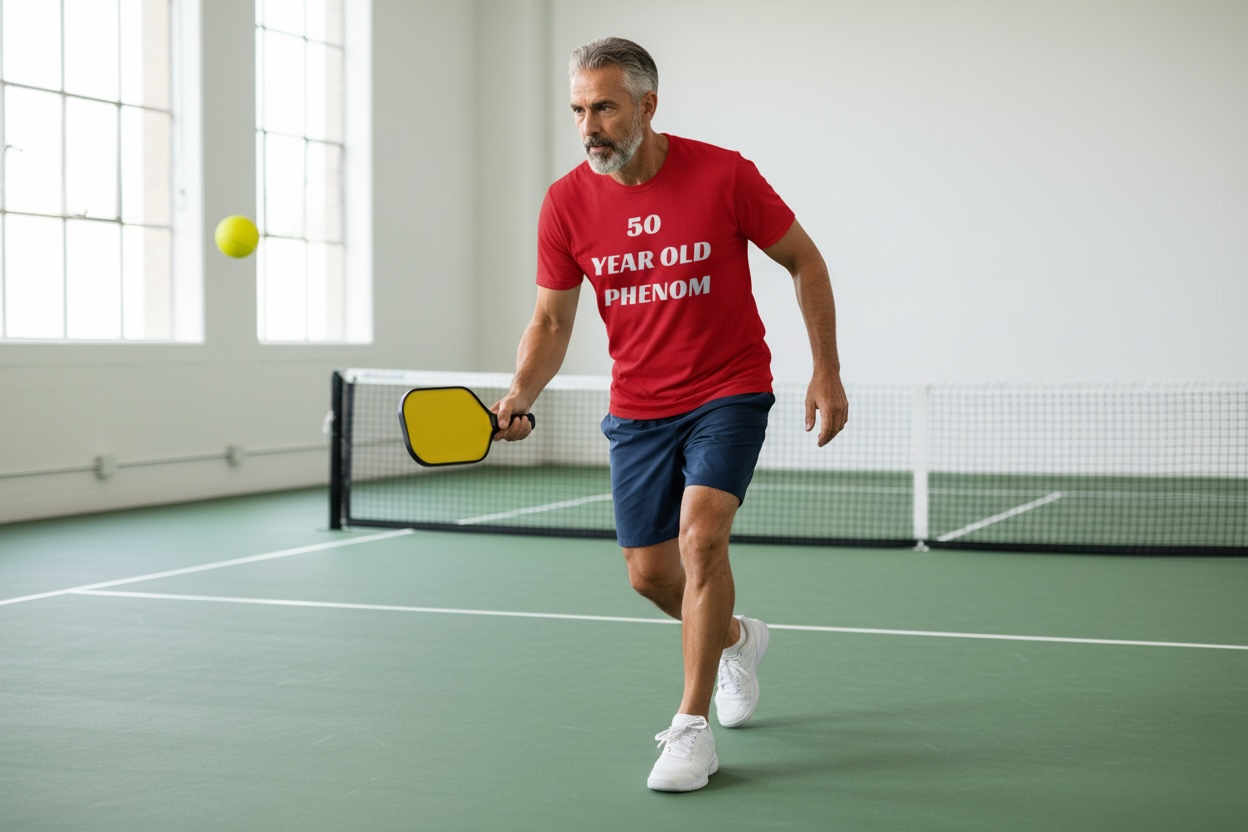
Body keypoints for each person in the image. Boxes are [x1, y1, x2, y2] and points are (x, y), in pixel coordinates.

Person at [493, 37, 847, 792]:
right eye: (579, 110)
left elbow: (804, 260)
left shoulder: (723, 173)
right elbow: (552, 323)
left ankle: (690, 731)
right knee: (650, 576)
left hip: (729, 388)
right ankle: (736, 641)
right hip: (640, 408)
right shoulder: (565, 204)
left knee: (701, 537)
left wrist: (826, 368)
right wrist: (522, 392)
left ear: (647, 107)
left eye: (605, 108)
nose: (590, 125)